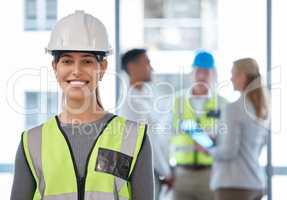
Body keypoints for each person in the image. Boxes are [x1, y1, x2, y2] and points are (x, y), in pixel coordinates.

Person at [10, 11, 154, 200]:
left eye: (86, 61)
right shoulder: (32, 143)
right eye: (67, 61)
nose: (76, 71)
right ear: (55, 68)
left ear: (102, 68)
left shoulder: (134, 139)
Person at [209, 58, 269, 200]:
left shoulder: (234, 108)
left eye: (233, 74)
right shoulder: (262, 108)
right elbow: (259, 145)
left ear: (242, 76)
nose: (230, 78)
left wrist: (208, 149)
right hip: (255, 182)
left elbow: (228, 152)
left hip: (234, 186)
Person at [170, 50, 227, 200]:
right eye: (198, 71)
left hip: (210, 175)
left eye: (206, 72)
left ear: (213, 74)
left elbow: (229, 140)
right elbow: (165, 137)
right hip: (181, 175)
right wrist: (168, 172)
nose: (201, 76)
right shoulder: (177, 101)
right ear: (191, 73)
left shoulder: (222, 103)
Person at [119, 49, 172, 200]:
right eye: (147, 62)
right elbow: (148, 142)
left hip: (152, 170)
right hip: (144, 172)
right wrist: (166, 172)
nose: (152, 68)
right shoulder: (132, 103)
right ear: (132, 67)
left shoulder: (143, 98)